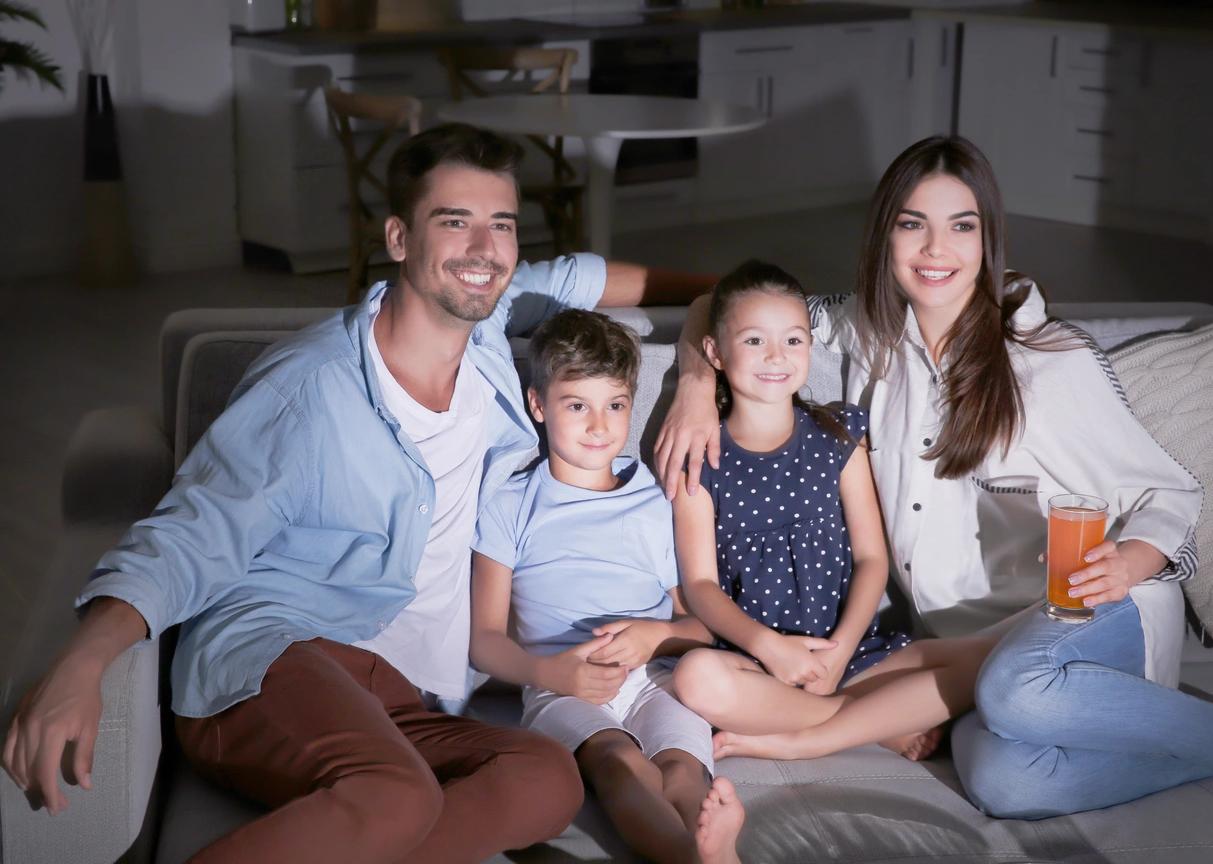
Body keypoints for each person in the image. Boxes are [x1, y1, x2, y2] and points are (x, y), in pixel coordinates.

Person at [2, 123, 714, 864]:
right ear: (400, 237)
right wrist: (82, 661)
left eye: (501, 224)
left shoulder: (498, 322)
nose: (484, 248)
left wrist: (698, 364)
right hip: (276, 656)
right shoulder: (309, 388)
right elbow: (192, 530)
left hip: (407, 697)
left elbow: (659, 287)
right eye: (454, 222)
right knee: (397, 794)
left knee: (544, 776)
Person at [658, 136, 1213, 817]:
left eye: (961, 226)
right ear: (886, 237)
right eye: (914, 224)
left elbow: (1176, 495)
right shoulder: (870, 331)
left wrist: (1131, 562)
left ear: (987, 239)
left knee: (1012, 688)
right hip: (964, 656)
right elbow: (727, 306)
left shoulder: (1048, 359)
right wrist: (697, 387)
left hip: (1086, 615)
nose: (937, 250)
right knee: (1004, 783)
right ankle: (1196, 725)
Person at [668, 259, 995, 764]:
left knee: (995, 660)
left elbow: (870, 559)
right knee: (695, 679)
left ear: (810, 346)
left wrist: (840, 649)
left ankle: (813, 731)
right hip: (759, 666)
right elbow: (702, 588)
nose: (776, 356)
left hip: (851, 653)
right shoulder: (702, 459)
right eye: (754, 341)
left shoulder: (837, 435)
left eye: (793, 340)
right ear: (714, 351)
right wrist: (773, 650)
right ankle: (873, 720)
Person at [470, 308, 745, 864]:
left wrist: (653, 637)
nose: (600, 426)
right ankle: (693, 858)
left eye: (615, 406)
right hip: (561, 684)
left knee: (682, 770)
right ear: (538, 406)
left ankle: (712, 846)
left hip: (655, 677)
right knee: (618, 761)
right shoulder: (510, 505)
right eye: (578, 406)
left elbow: (696, 628)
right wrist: (548, 672)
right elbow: (483, 639)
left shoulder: (653, 498)